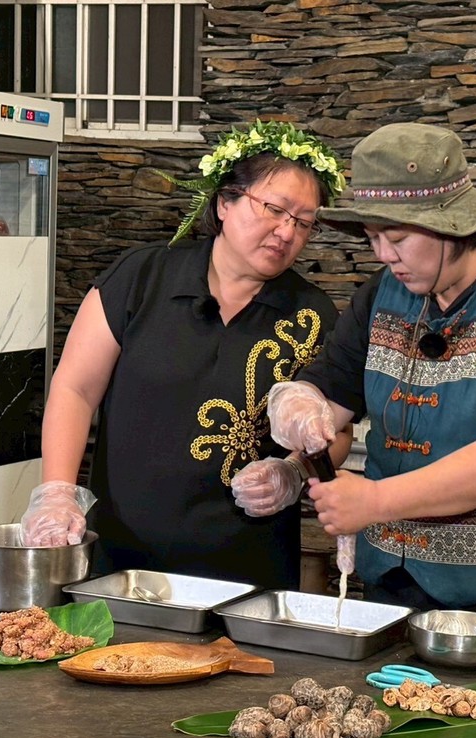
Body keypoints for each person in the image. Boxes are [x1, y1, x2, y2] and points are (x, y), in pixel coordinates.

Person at [246, 123, 476, 632]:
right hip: (395, 577)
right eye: (373, 238)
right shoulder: (386, 291)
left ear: (454, 225)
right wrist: (299, 411)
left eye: (397, 238)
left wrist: (374, 501)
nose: (383, 255)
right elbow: (332, 392)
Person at [19, 120, 351, 590]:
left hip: (248, 569)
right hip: (124, 559)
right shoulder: (141, 279)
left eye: (303, 222)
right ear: (224, 202)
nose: (286, 231)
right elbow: (75, 388)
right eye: (275, 209)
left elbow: (336, 432)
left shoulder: (311, 315)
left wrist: (294, 471)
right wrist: (56, 491)